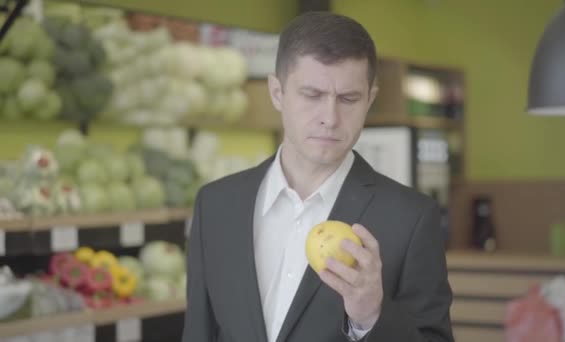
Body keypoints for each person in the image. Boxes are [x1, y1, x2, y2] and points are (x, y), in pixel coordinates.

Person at [181, 11, 454, 342]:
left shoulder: (411, 218)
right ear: (277, 92)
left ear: (370, 99)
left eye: (348, 99)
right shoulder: (215, 205)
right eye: (312, 95)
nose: (330, 117)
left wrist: (372, 315)